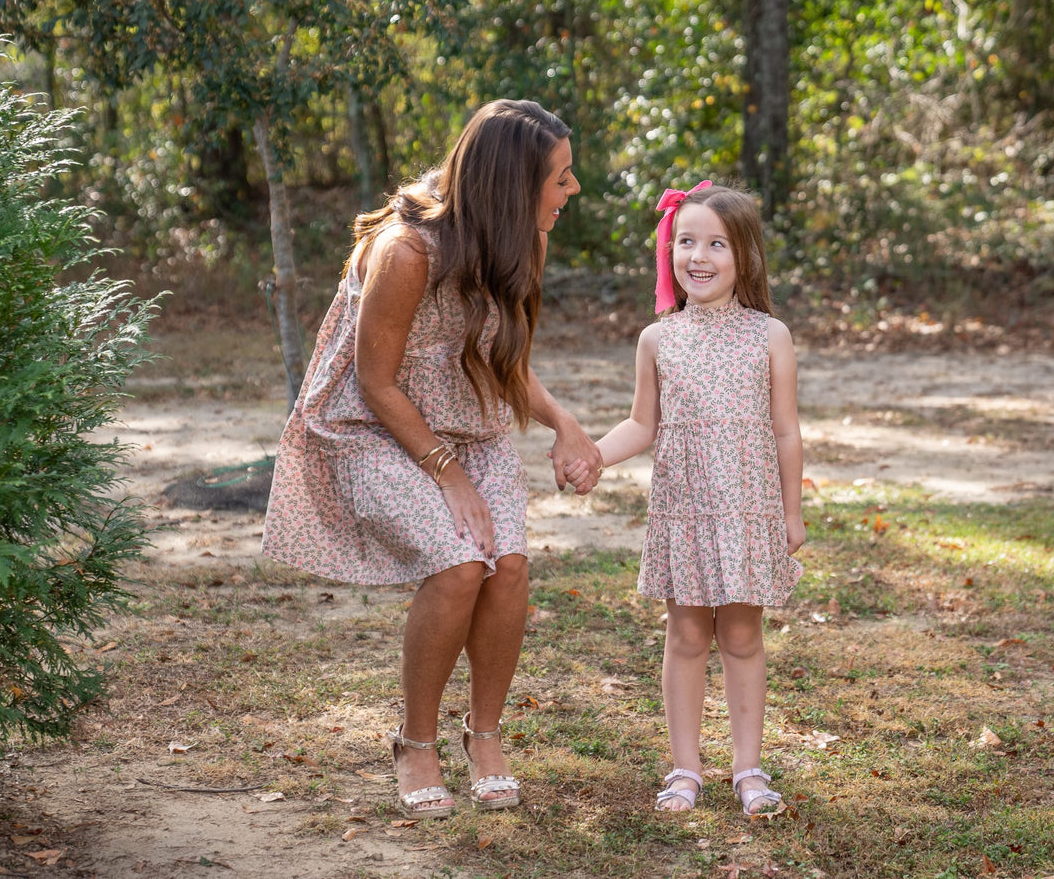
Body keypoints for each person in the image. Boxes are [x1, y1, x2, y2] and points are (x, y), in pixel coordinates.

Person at [263, 100, 601, 819]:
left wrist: (563, 424)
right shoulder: (407, 251)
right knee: (457, 567)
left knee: (506, 567)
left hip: (470, 429)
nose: (572, 192)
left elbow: (501, 359)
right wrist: (445, 475)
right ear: (513, 184)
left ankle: (484, 737)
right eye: (560, 179)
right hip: (370, 426)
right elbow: (374, 379)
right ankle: (415, 743)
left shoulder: (520, 240)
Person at [566, 181, 805, 816]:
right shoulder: (658, 339)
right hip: (686, 509)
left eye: (716, 244)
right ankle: (686, 770)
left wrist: (791, 513)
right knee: (686, 634)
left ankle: (749, 769)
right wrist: (593, 453)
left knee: (744, 635)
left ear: (744, 256)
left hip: (749, 510)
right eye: (686, 241)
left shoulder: (770, 335)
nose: (698, 256)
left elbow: (786, 430)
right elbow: (642, 424)